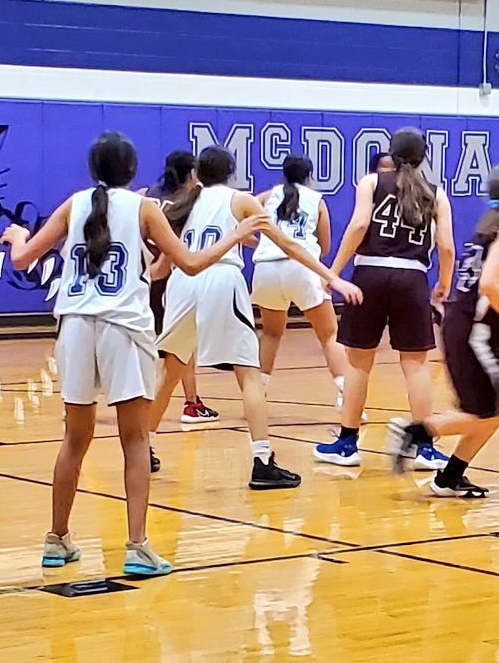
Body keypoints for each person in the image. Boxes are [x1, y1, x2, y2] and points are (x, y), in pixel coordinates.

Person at [0, 131, 265, 577]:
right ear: (131, 171)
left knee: (75, 440)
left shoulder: (74, 204)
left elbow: (23, 259)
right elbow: (191, 264)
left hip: (76, 327)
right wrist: (235, 235)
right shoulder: (144, 209)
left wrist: (18, 237)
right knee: (135, 440)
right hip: (124, 329)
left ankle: (57, 539)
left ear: (93, 169)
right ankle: (137, 546)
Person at [150, 145, 362, 489]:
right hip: (221, 277)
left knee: (171, 368)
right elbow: (290, 246)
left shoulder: (184, 204)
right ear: (231, 173)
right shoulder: (240, 200)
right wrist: (333, 277)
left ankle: (144, 445)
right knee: (249, 374)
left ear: (197, 174)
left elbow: (160, 267)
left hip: (182, 284)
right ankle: (262, 461)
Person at [314, 127, 456, 470]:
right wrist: (444, 283)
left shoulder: (372, 182)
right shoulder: (436, 193)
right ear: (424, 157)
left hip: (371, 275)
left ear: (391, 154)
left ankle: (347, 443)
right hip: (413, 277)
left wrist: (333, 271)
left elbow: (360, 224)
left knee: (359, 362)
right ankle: (424, 448)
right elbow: (448, 247)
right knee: (416, 365)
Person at [387, 165, 499, 497]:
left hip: (468, 327)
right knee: (488, 410)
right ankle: (418, 430)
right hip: (475, 334)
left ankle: (449, 477)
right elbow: (490, 283)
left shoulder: (487, 229)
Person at [252, 155, 350, 407]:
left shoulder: (266, 196)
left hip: (265, 269)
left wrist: (259, 243)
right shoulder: (316, 200)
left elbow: (237, 219)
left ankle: (257, 395)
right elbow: (325, 247)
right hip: (302, 267)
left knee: (271, 333)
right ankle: (345, 396)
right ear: (310, 175)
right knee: (329, 335)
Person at [143, 149, 219, 427]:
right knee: (180, 347)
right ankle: (189, 403)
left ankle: (82, 399)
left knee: (162, 348)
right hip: (165, 278)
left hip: (140, 276)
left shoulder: (145, 194)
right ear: (192, 173)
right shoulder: (188, 201)